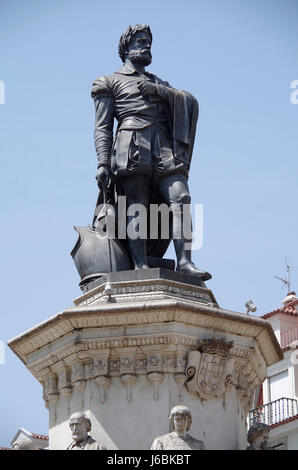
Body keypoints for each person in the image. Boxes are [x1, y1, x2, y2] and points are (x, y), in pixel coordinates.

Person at [91, 24, 211, 280]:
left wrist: (161, 92)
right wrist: (102, 162)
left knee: (181, 198)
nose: (146, 46)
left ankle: (185, 262)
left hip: (163, 146)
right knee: (137, 206)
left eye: (149, 42)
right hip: (131, 143)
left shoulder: (160, 83)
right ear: (126, 47)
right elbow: (102, 128)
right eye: (141, 41)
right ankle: (141, 265)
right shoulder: (108, 82)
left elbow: (187, 101)